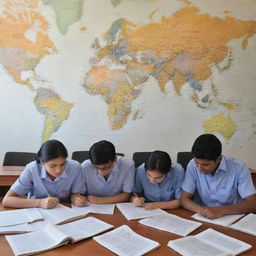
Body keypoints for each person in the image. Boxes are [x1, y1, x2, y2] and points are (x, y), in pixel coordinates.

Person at [181, 134, 256, 219]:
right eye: (196, 162)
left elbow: (253, 203)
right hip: (204, 217)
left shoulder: (239, 168)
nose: (199, 168)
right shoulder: (192, 165)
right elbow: (184, 199)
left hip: (231, 218)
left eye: (205, 165)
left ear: (218, 159)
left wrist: (221, 210)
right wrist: (202, 211)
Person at [2, 140, 86, 209]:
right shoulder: (32, 169)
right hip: (36, 212)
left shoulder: (75, 167)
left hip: (65, 212)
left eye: (63, 164)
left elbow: (75, 194)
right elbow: (7, 200)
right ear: (42, 162)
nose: (58, 170)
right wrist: (39, 202)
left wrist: (76, 199)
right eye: (52, 166)